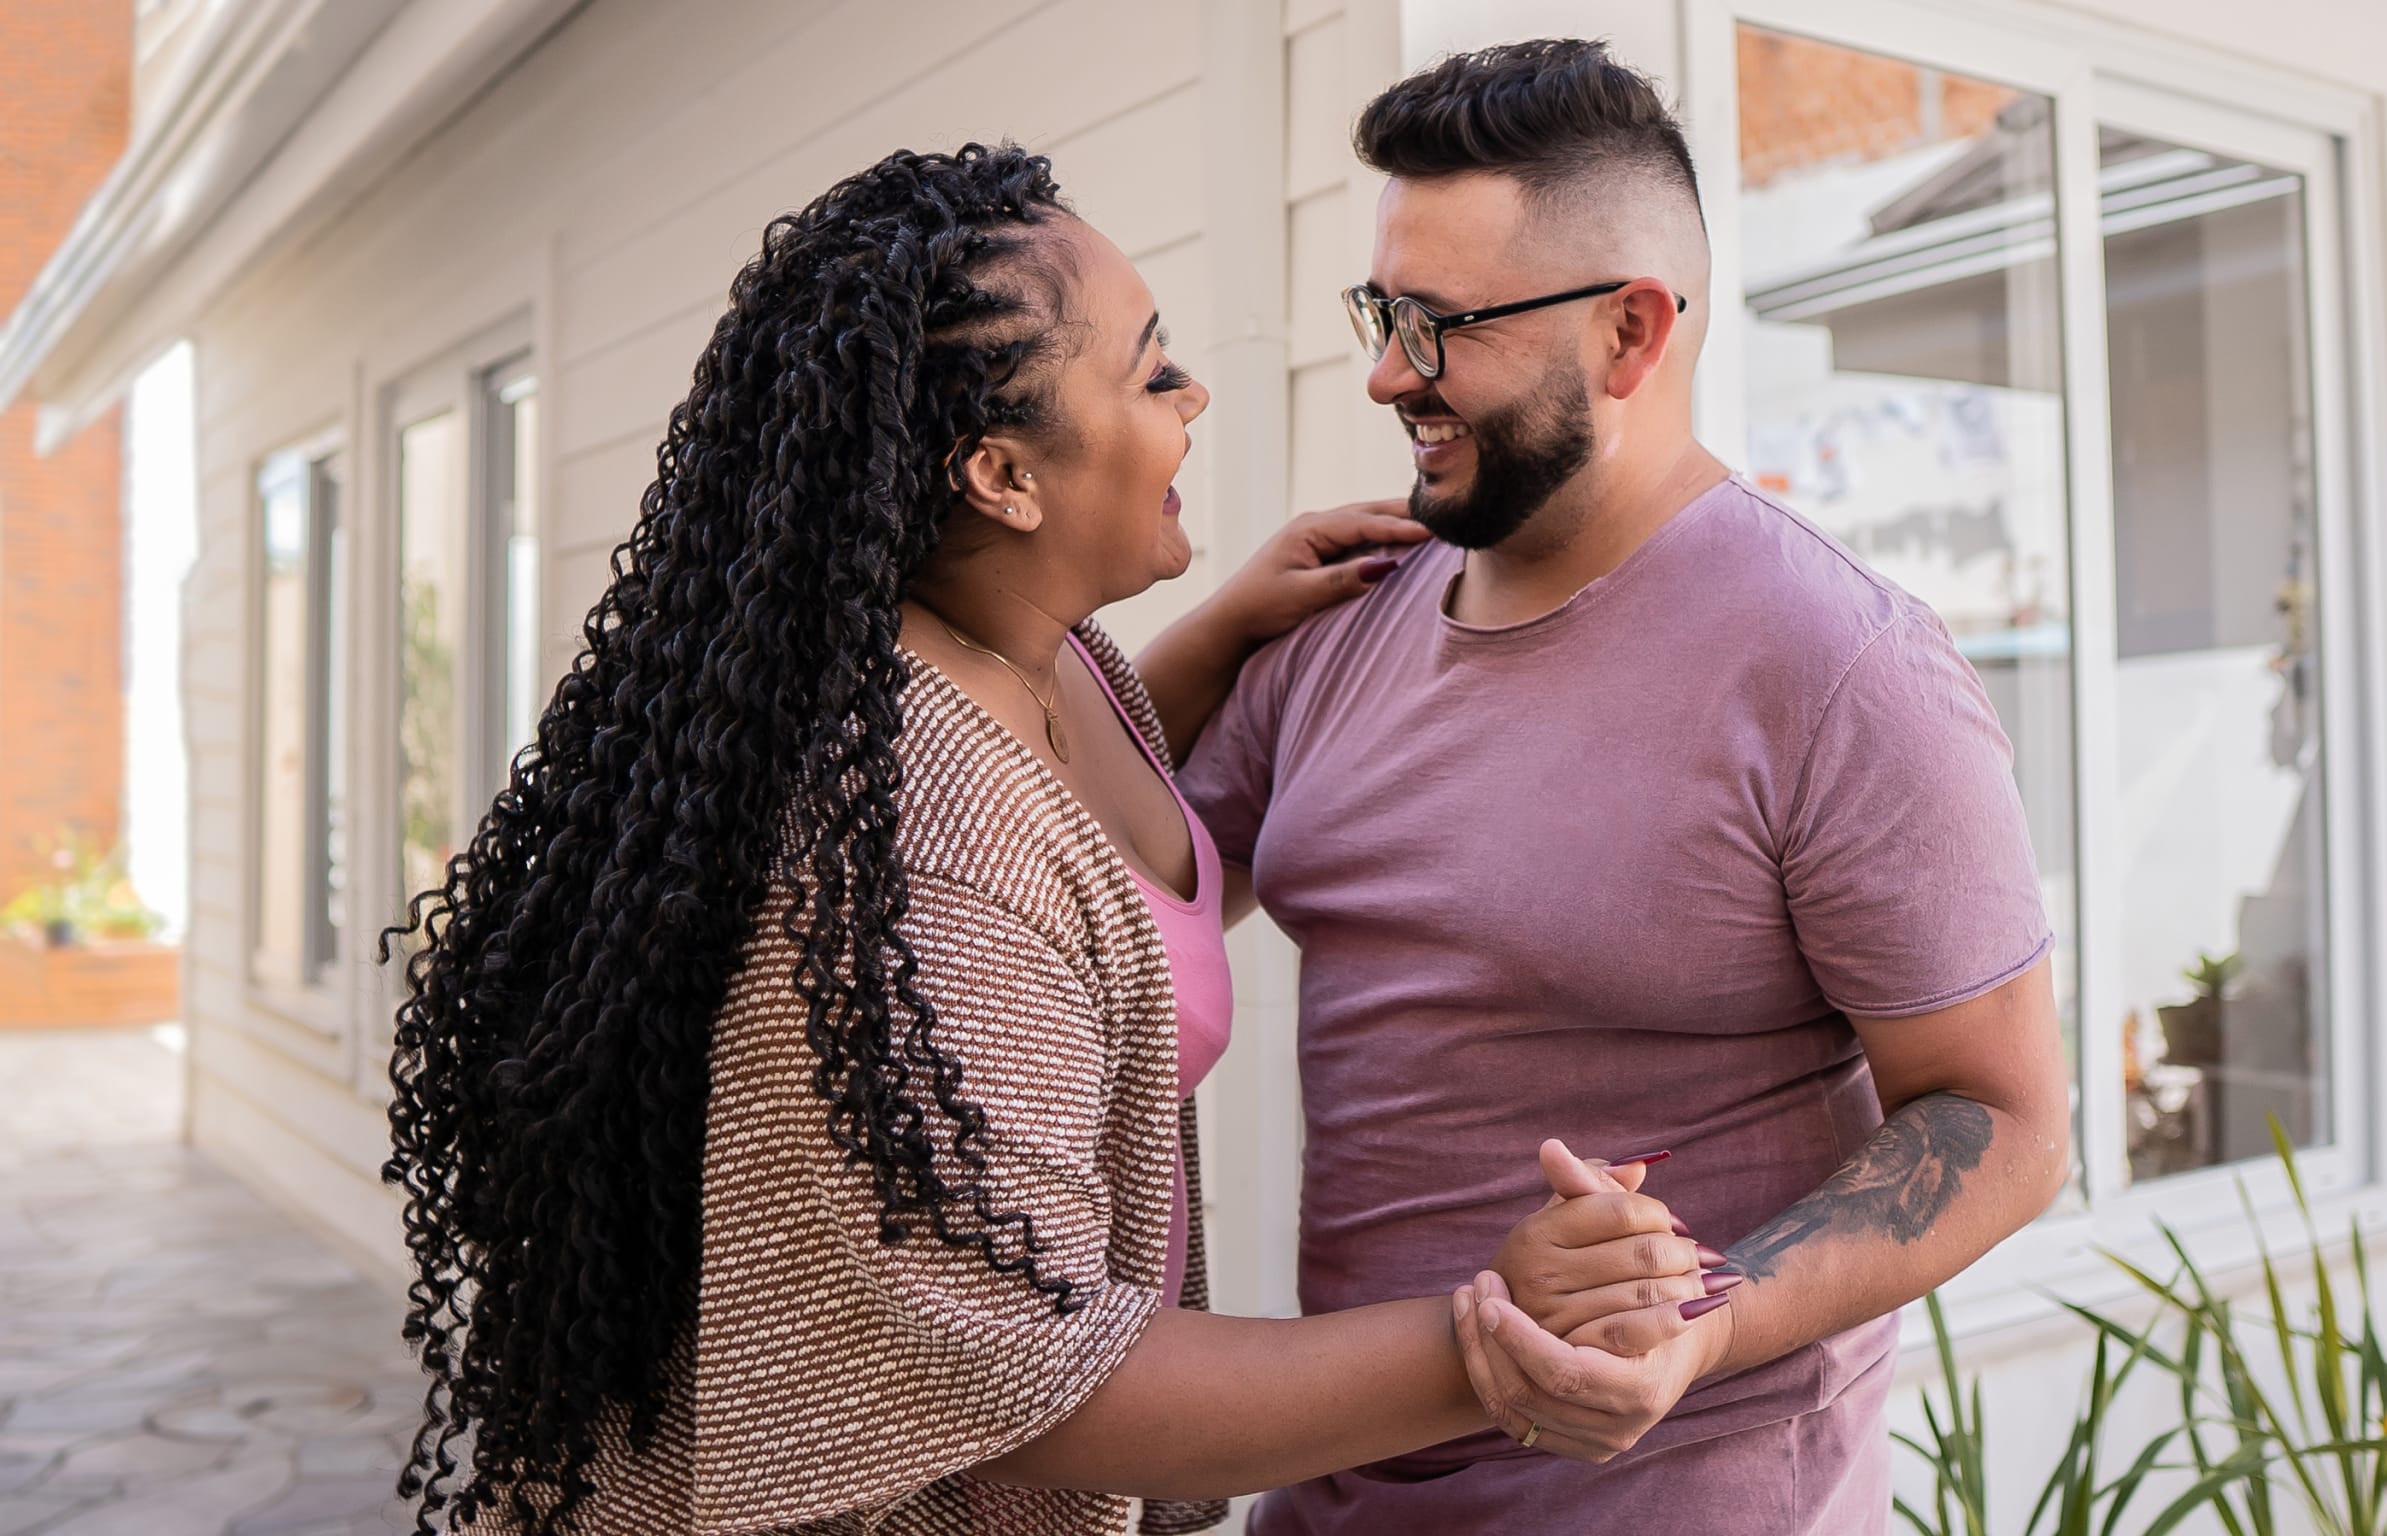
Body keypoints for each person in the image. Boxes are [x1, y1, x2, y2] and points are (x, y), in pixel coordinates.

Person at [379, 144, 1723, 1536]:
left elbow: (1095, 851)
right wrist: (1490, 1348)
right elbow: (1042, 1383)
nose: (1195, 395)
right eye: (1150, 374)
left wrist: (1220, 631)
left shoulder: (1050, 658)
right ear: (1005, 474)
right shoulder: (913, 844)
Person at [1145, 40, 2076, 1534]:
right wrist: (1198, 635)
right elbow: (1103, 892)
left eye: (1439, 328)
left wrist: (1701, 1319)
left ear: (1631, 332)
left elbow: (2005, 1122)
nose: (1390, 373)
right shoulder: (1346, 608)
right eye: (1382, 314)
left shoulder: (1840, 665)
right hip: (1337, 1500)